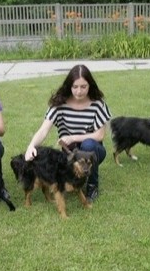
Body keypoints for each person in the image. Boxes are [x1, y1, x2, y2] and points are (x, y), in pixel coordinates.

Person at [24, 64, 110, 202]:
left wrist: (73, 137)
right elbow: (44, 129)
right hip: (70, 153)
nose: (79, 91)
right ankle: (72, 181)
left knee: (88, 145)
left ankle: (92, 185)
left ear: (90, 86)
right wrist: (31, 146)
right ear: (69, 86)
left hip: (93, 151)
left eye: (83, 87)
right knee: (64, 158)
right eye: (75, 87)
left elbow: (99, 135)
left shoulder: (97, 104)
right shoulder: (59, 103)